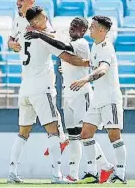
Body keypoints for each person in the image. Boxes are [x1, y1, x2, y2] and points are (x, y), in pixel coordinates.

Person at [8, 6, 90, 184]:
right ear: (36, 21)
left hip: (25, 89)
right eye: (44, 17)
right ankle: (56, 175)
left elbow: (15, 46)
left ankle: (12, 172)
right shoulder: (42, 37)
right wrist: (88, 63)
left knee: (23, 133)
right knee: (54, 133)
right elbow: (68, 57)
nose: (47, 19)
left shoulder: (22, 35)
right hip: (41, 89)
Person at [27, 17, 114, 183]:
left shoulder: (81, 43)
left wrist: (38, 35)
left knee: (85, 134)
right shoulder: (69, 39)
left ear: (83, 31)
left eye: (79, 27)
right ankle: (74, 174)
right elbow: (57, 40)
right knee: (74, 136)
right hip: (68, 95)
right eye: (72, 25)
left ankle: (98, 168)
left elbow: (63, 47)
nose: (74, 28)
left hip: (82, 93)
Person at [8, 0, 69, 157]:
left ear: (31, 1)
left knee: (50, 120)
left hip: (43, 76)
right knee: (48, 118)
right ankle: (61, 139)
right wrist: (12, 44)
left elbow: (53, 39)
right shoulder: (17, 19)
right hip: (28, 77)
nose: (18, 2)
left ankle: (60, 143)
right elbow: (11, 39)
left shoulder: (40, 19)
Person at [70, 15, 127, 184]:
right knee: (85, 134)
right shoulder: (94, 46)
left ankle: (120, 174)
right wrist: (68, 65)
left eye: (93, 26)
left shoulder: (107, 48)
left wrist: (84, 80)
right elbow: (91, 62)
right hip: (97, 99)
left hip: (110, 99)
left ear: (102, 30)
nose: (90, 29)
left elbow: (102, 69)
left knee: (114, 136)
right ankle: (91, 172)